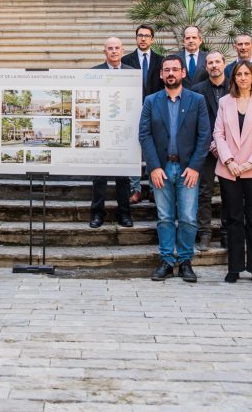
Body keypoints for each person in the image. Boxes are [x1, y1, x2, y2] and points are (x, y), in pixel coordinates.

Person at [140, 55, 211, 282]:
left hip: (187, 169)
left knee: (188, 217)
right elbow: (144, 135)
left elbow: (204, 136)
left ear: (183, 73)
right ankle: (167, 262)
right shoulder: (151, 101)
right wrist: (153, 166)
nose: (170, 73)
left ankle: (186, 261)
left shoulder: (197, 100)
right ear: (161, 74)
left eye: (175, 69)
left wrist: (195, 167)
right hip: (161, 169)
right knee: (164, 217)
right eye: (166, 70)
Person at [213, 60, 252, 285]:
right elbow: (218, 134)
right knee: (233, 218)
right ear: (234, 78)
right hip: (229, 170)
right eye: (239, 74)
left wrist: (250, 163)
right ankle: (235, 267)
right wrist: (229, 160)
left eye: (246, 74)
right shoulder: (224, 102)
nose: (242, 78)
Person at [90, 37, 137, 229]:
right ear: (105, 52)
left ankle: (124, 214)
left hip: (124, 131)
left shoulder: (132, 73)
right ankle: (97, 214)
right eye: (110, 48)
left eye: (117, 48)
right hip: (101, 131)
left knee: (123, 177)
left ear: (123, 51)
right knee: (99, 177)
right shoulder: (94, 72)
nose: (114, 51)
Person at [122, 24, 163, 203]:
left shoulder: (160, 60)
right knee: (133, 150)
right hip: (131, 111)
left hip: (155, 111)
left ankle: (154, 188)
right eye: (140, 35)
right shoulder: (126, 60)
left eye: (147, 36)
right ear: (136, 38)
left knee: (153, 149)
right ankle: (135, 189)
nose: (143, 38)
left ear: (152, 39)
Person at [191, 50, 227, 251]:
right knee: (204, 192)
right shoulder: (197, 90)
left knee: (229, 192)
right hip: (206, 149)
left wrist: (222, 143)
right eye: (210, 63)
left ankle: (226, 232)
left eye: (217, 62)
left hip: (230, 149)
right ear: (206, 67)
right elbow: (195, 121)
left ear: (224, 64)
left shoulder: (234, 86)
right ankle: (204, 232)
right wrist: (211, 142)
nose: (214, 65)